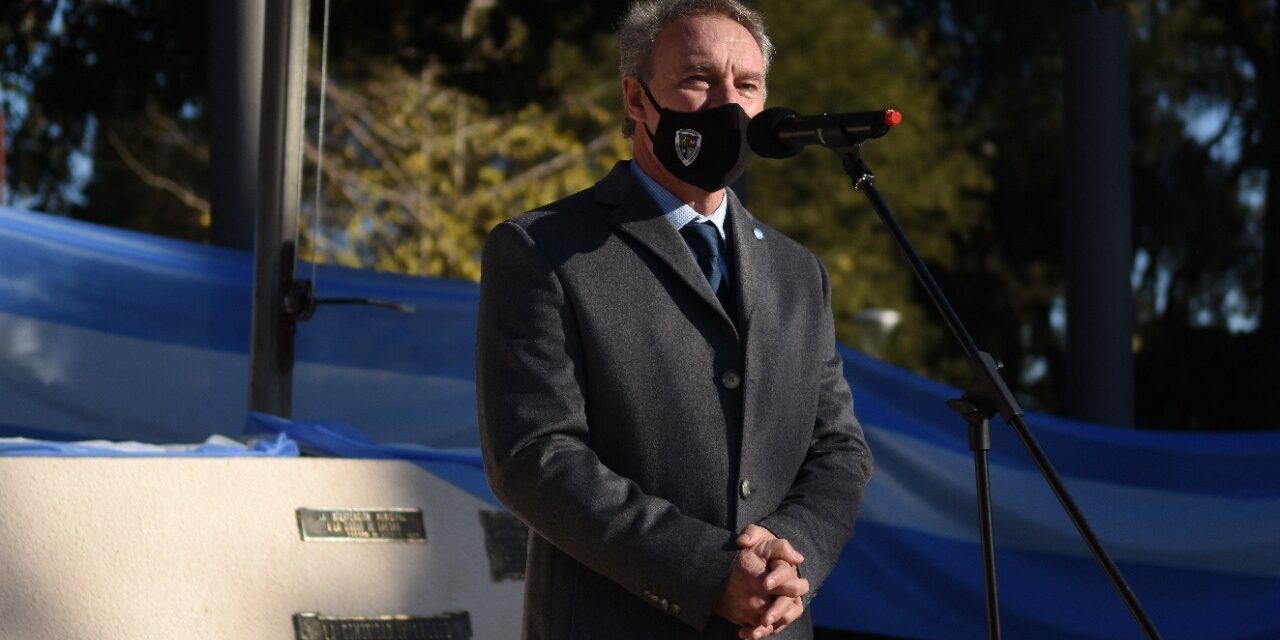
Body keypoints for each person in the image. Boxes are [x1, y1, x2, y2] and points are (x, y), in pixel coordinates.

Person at [475, 1, 874, 638]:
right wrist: (710, 572)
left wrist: (790, 554)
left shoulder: (800, 274)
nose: (727, 104)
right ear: (636, 99)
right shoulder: (543, 249)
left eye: (746, 85)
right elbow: (535, 456)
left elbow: (839, 449)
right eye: (698, 79)